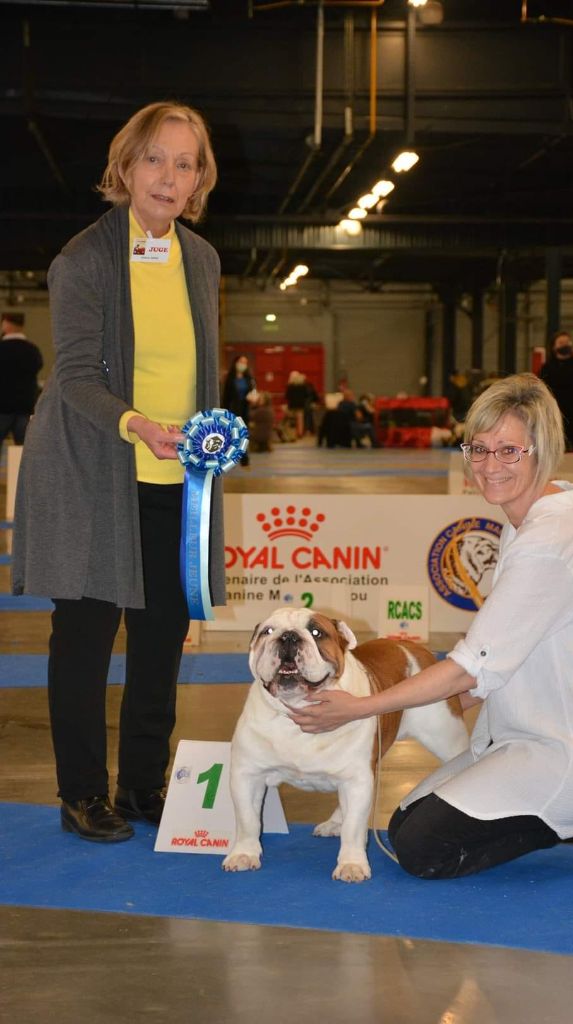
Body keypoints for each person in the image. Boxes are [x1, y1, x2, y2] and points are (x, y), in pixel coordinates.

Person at [291, 373, 573, 881]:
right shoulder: (544, 518)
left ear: (542, 450)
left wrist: (361, 708)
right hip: (568, 727)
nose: (490, 466)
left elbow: (470, 668)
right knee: (404, 824)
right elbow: (513, 652)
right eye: (479, 449)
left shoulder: (547, 544)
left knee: (427, 850)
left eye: (509, 451)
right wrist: (438, 704)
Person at [11, 101, 225, 843]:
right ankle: (81, 795)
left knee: (162, 639)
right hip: (93, 469)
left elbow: (200, 369)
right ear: (127, 166)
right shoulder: (83, 259)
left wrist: (198, 439)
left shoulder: (202, 259)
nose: (170, 176)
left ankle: (141, 788)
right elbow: (72, 376)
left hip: (176, 477)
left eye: (186, 162)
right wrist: (137, 424)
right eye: (156, 158)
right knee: (85, 640)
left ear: (200, 178)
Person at [540, 331, 573, 452]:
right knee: (557, 442)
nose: (565, 345)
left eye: (567, 342)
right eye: (561, 343)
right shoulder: (547, 366)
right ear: (554, 347)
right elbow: (542, 386)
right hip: (556, 408)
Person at [0, 311, 43, 445]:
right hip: (25, 407)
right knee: (24, 449)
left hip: (2, 407)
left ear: (6, 324)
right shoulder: (33, 350)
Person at [221, 354, 256, 466]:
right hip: (232, 409)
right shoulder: (230, 379)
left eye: (245, 362)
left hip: (245, 409)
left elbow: (253, 392)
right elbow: (226, 396)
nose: (243, 365)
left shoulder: (249, 379)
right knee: (231, 434)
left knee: (244, 434)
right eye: (241, 362)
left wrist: (253, 398)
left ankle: (244, 457)